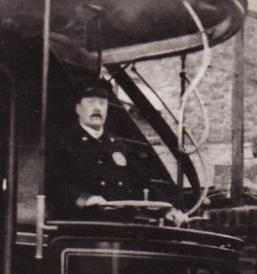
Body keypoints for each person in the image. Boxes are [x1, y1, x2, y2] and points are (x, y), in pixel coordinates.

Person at [47, 79, 189, 226]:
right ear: (78, 109)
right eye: (90, 102)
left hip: (120, 225)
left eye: (102, 103)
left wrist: (167, 210)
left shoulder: (118, 145)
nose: (97, 108)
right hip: (83, 227)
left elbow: (141, 183)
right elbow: (54, 184)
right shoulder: (65, 142)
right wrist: (85, 199)